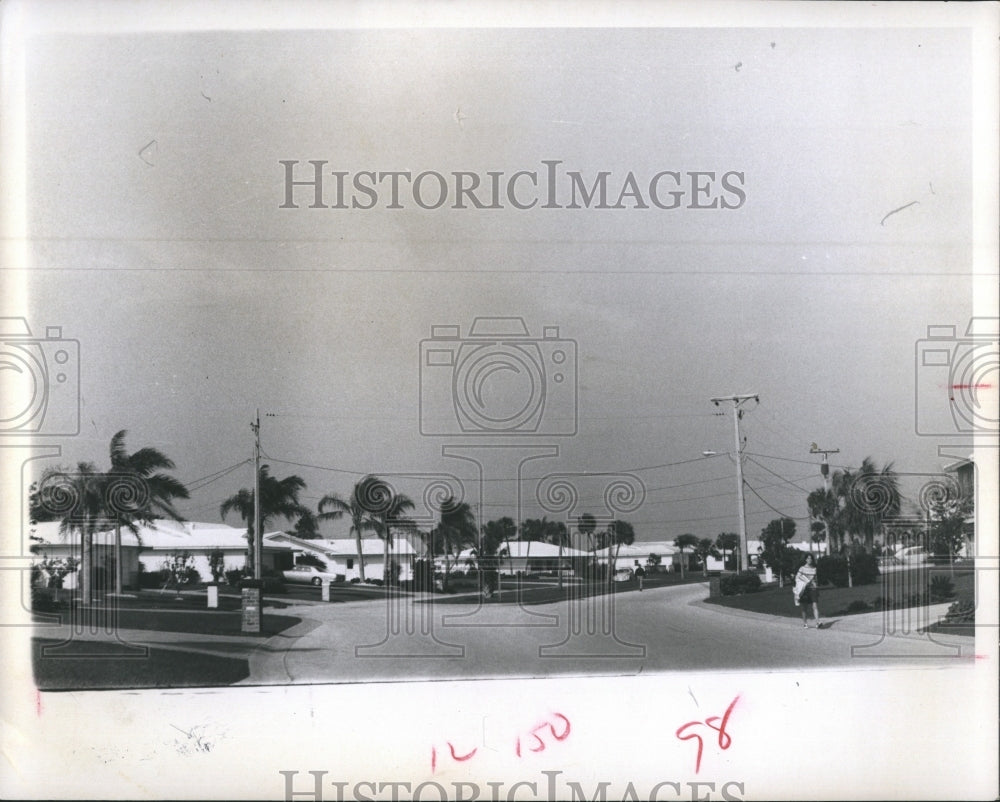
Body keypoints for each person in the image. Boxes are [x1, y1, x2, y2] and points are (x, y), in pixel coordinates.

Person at [793, 554, 821, 627]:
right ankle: (805, 623)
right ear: (805, 559)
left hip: (813, 589)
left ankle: (818, 622)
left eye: (811, 558)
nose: (809, 560)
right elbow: (797, 578)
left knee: (815, 606)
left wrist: (816, 587)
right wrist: (806, 581)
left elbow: (816, 580)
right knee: (804, 608)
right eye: (808, 558)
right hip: (804, 590)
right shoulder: (802, 568)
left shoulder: (814, 569)